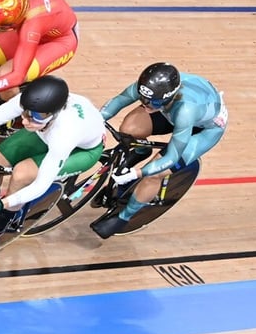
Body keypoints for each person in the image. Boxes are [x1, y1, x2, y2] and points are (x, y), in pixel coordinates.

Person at [0, 75, 105, 239]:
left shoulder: (65, 133)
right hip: (45, 134)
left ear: (54, 114)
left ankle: (5, 220)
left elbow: (41, 184)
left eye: (36, 117)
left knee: (21, 174)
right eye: (25, 112)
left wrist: (4, 203)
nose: (26, 120)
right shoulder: (31, 101)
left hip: (82, 150)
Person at [91, 63, 227, 239]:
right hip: (169, 111)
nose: (146, 105)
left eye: (152, 103)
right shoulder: (150, 88)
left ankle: (123, 218)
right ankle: (140, 151)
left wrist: (136, 173)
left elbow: (172, 156)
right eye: (143, 99)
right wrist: (94, 121)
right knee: (129, 129)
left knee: (156, 173)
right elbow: (118, 102)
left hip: (204, 130)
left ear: (169, 97)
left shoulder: (185, 110)